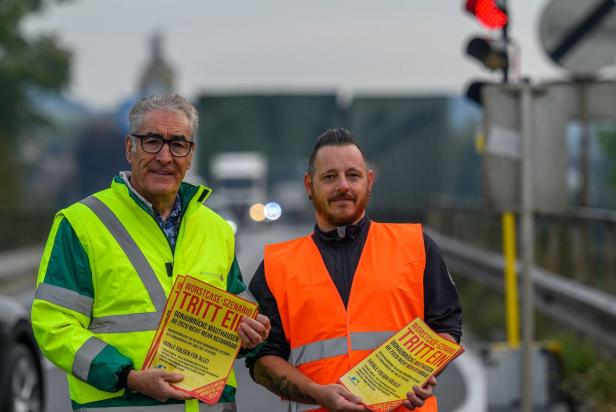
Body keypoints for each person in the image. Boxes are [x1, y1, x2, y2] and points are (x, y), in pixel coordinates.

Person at [31, 94, 271, 412]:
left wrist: (249, 332)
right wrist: (127, 377)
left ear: (190, 154)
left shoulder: (217, 229)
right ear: (130, 148)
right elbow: (53, 323)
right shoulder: (80, 224)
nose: (164, 156)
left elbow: (239, 309)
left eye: (177, 144)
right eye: (152, 141)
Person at [247, 128, 462, 412]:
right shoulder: (276, 266)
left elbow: (445, 325)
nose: (343, 186)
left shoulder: (416, 246)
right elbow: (261, 357)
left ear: (369, 181)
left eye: (353, 175)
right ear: (309, 185)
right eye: (330, 177)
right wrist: (318, 394)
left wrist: (424, 374)